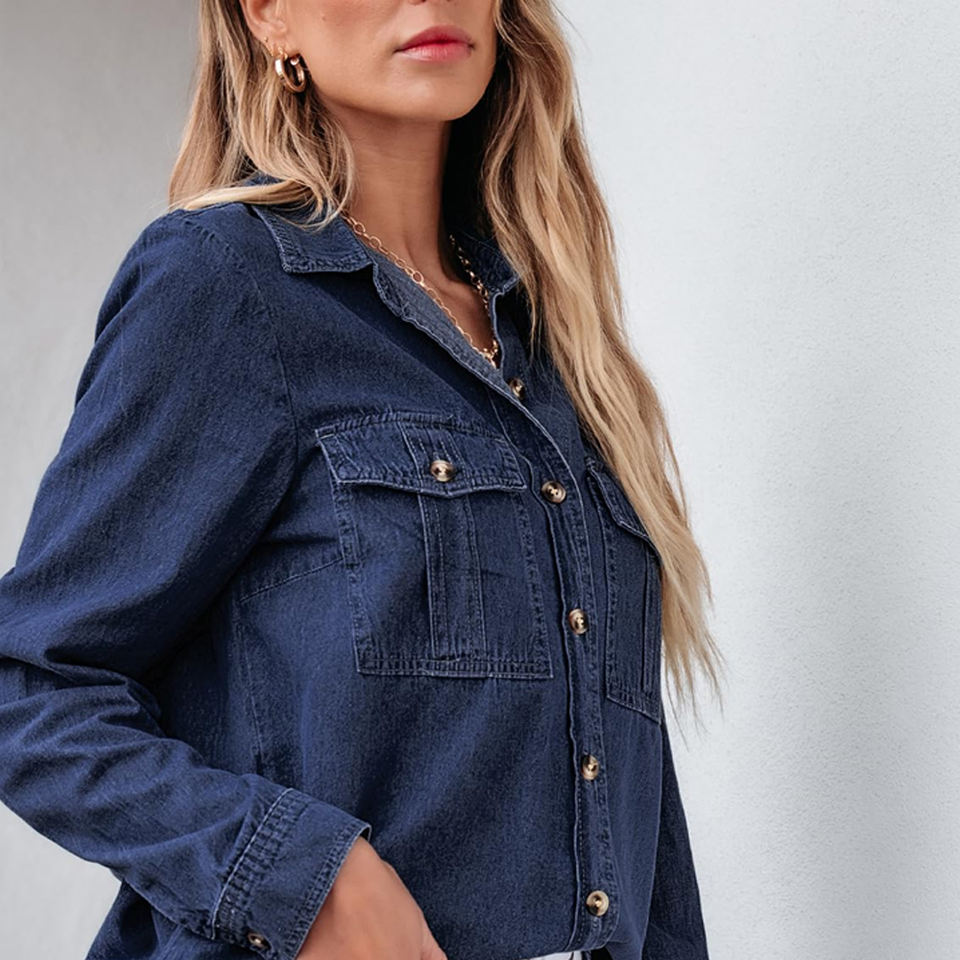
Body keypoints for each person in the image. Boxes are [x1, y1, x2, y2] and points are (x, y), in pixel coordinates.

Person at [0, 1, 724, 958]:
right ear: (268, 14)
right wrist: (303, 876)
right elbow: (32, 684)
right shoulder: (224, 284)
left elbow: (636, 801)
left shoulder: (561, 351)